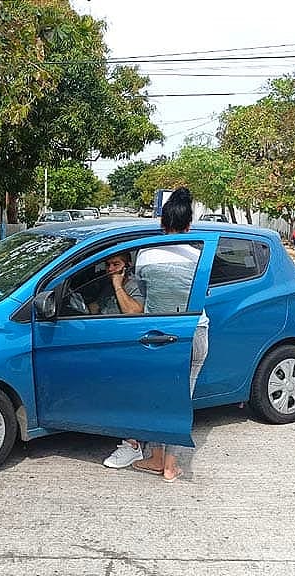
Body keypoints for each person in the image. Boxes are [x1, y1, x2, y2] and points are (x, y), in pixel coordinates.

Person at [102, 187, 209, 482]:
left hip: (160, 335)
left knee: (157, 396)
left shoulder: (147, 255)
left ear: (162, 223)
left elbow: (144, 302)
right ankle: (166, 462)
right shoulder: (200, 254)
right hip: (196, 332)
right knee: (181, 399)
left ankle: (160, 459)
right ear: (189, 225)